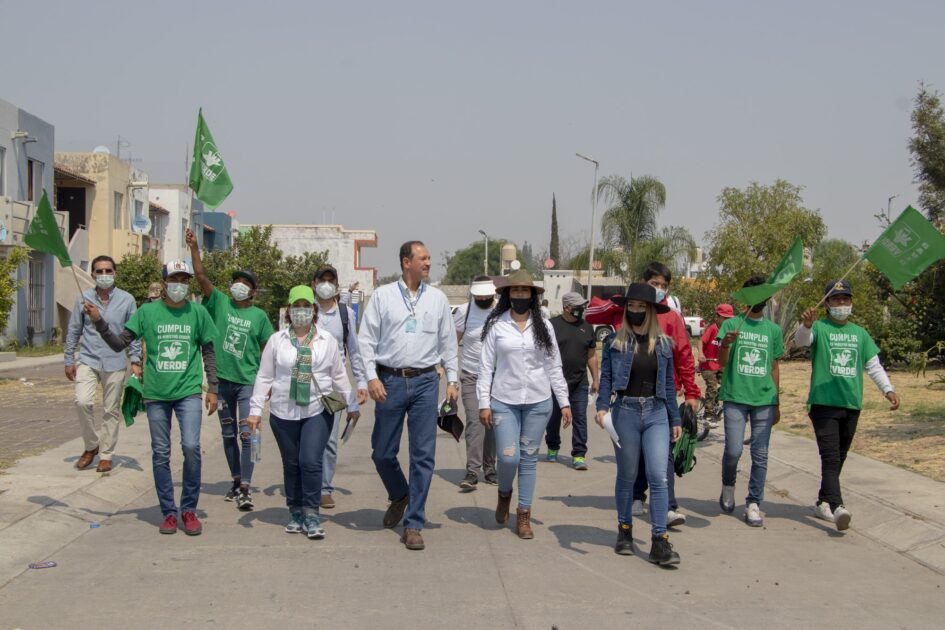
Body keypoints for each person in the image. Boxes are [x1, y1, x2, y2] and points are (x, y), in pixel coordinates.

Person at [84, 260, 218, 536]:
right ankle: (169, 512)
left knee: (192, 447)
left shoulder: (199, 313)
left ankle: (189, 509)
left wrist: (213, 388)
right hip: (156, 394)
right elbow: (120, 343)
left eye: (184, 280)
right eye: (174, 279)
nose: (179, 285)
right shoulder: (147, 312)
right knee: (161, 453)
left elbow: (209, 351)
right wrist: (99, 322)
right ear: (165, 282)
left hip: (188, 391)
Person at [358, 241, 459, 551]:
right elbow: (365, 340)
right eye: (423, 258)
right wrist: (371, 377)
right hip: (389, 381)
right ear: (406, 262)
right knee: (382, 452)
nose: (428, 263)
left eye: (429, 257)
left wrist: (452, 380)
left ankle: (414, 522)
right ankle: (400, 493)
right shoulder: (383, 296)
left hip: (427, 381)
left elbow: (448, 342)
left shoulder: (438, 299)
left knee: (423, 455)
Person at [246, 286, 358, 540]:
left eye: (306, 307)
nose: (301, 312)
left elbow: (338, 375)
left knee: (310, 460)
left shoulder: (326, 340)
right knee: (292, 463)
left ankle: (311, 512)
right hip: (283, 412)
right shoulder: (277, 341)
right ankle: (295, 510)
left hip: (317, 409)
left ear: (313, 310)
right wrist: (255, 411)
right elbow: (264, 377)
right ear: (289, 311)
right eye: (296, 307)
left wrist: (352, 404)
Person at [793, 279, 900, 531]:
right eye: (836, 299)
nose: (842, 303)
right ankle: (838, 506)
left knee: (839, 457)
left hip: (851, 403)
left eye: (846, 299)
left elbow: (873, 365)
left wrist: (888, 390)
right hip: (823, 404)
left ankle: (823, 500)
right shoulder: (819, 328)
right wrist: (806, 325)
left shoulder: (860, 334)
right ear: (827, 304)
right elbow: (801, 341)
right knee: (830, 457)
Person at [478, 270, 571, 540]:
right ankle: (504, 493)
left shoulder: (545, 326)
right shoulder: (497, 325)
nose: (520, 295)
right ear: (508, 294)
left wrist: (564, 401)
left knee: (529, 460)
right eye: (515, 290)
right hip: (504, 401)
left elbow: (554, 365)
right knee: (509, 457)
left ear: (532, 295)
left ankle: (523, 515)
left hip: (538, 402)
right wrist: (484, 403)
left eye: (525, 290)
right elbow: (485, 368)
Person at [188, 229, 274, 510]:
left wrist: (268, 382)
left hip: (248, 382)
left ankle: (247, 486)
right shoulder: (220, 303)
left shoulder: (260, 316)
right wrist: (195, 248)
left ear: (253, 291)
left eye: (245, 283)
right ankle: (236, 480)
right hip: (222, 382)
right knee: (227, 434)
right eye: (236, 281)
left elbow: (267, 351)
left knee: (247, 434)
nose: (239, 286)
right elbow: (201, 277)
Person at [595, 283, 681, 564]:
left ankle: (659, 540)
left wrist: (675, 417)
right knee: (627, 476)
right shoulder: (614, 343)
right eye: (630, 307)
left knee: (659, 476)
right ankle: (625, 531)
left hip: (656, 412)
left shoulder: (665, 344)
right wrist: (601, 408)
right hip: (625, 412)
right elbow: (606, 379)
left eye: (640, 307)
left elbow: (668, 384)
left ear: (651, 310)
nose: (634, 311)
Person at [632, 262, 701, 526]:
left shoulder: (672, 318)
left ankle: (668, 506)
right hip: (632, 395)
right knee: (637, 451)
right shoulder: (629, 313)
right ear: (643, 283)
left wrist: (692, 392)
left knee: (664, 453)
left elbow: (684, 355)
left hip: (664, 395)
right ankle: (637, 495)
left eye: (664, 286)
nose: (659, 290)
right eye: (654, 285)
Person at [716, 275, 784, 527]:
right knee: (733, 450)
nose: (758, 300)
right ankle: (728, 486)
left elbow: (775, 366)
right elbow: (721, 363)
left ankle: (754, 502)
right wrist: (725, 344)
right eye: (752, 294)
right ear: (745, 298)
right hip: (735, 396)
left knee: (761, 453)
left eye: (762, 295)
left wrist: (777, 401)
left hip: (764, 400)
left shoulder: (773, 330)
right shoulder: (732, 325)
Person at [64, 255, 142, 473]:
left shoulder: (127, 300)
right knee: (82, 401)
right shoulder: (83, 297)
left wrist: (136, 360)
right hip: (88, 358)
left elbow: (133, 333)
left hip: (115, 361)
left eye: (109, 271)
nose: (104, 275)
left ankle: (106, 454)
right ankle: (91, 445)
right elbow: (73, 331)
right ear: (92, 275)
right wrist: (69, 358)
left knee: (111, 410)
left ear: (115, 273)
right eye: (100, 271)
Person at [311, 265, 369, 508]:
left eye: (330, 280)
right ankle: (307, 484)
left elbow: (354, 352)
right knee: (306, 439)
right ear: (314, 284)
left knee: (330, 441)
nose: (326, 284)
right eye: (321, 279)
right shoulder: (306, 310)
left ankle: (324, 488)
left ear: (336, 285)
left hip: (334, 388)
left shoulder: (345, 314)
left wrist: (362, 383)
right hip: (306, 385)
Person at [544, 291, 599, 469]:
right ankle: (552, 446)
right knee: (553, 419)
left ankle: (579, 454)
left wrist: (595, 379)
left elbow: (591, 356)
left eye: (583, 306)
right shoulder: (551, 326)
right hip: (554, 383)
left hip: (579, 383)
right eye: (578, 307)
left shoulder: (587, 327)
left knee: (580, 419)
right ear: (566, 307)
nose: (581, 310)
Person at [453, 275, 498, 490]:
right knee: (475, 421)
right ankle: (472, 471)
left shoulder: (502, 312)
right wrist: (449, 374)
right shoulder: (465, 311)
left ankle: (490, 468)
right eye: (478, 296)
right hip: (471, 375)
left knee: (493, 424)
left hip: (497, 378)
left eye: (485, 296)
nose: (482, 299)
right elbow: (453, 343)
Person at [697, 303, 735, 427]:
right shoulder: (713, 328)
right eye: (724, 318)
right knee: (712, 387)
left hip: (720, 365)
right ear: (717, 317)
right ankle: (708, 414)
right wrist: (701, 354)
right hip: (708, 364)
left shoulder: (730, 331)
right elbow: (701, 342)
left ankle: (715, 403)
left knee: (729, 384)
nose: (727, 321)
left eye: (729, 318)